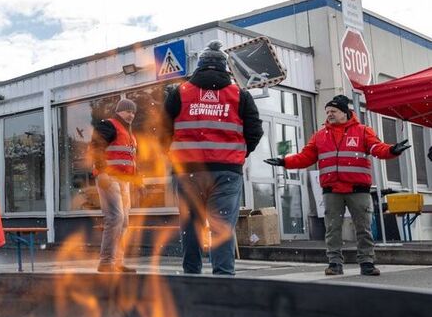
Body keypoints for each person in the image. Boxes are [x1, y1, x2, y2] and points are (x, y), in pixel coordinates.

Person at [265, 94, 410, 276]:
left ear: (345, 113)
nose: (329, 114)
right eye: (327, 112)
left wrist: (391, 150)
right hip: (332, 190)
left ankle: (367, 262)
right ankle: (334, 263)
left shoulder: (363, 131)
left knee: (363, 227)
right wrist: (284, 161)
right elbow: (305, 157)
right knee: (332, 228)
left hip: (358, 190)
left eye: (333, 111)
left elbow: (376, 148)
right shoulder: (320, 136)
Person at [164, 40, 263, 275]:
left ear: (199, 65)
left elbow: (161, 130)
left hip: (188, 171)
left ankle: (191, 275)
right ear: (225, 67)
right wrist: (238, 153)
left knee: (191, 226)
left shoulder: (180, 92)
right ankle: (223, 277)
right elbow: (255, 130)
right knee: (222, 226)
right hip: (227, 172)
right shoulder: (240, 94)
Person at [90, 98, 139, 273]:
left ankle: (117, 262)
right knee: (115, 218)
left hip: (124, 181)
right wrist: (102, 172)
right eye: (128, 111)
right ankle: (106, 262)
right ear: (119, 111)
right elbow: (96, 147)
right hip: (109, 178)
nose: (131, 115)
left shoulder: (129, 134)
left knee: (124, 221)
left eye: (133, 112)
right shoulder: (109, 126)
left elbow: (128, 159)